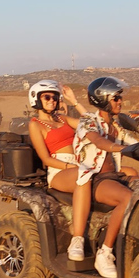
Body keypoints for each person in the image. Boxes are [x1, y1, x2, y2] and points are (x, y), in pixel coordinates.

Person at [73, 76, 139, 278]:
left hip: (115, 176)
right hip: (95, 179)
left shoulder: (116, 126)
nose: (120, 102)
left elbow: (135, 143)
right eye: (116, 98)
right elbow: (99, 142)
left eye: (120, 98)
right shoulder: (88, 121)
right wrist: (124, 149)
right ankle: (105, 253)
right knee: (126, 198)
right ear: (102, 99)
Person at [27, 80, 89, 261]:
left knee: (125, 173)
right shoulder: (35, 124)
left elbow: (91, 125)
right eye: (47, 97)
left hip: (81, 163)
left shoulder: (62, 119)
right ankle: (77, 239)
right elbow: (46, 159)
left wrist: (74, 101)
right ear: (36, 100)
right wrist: (71, 166)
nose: (52, 100)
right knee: (83, 176)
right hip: (59, 169)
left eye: (55, 97)